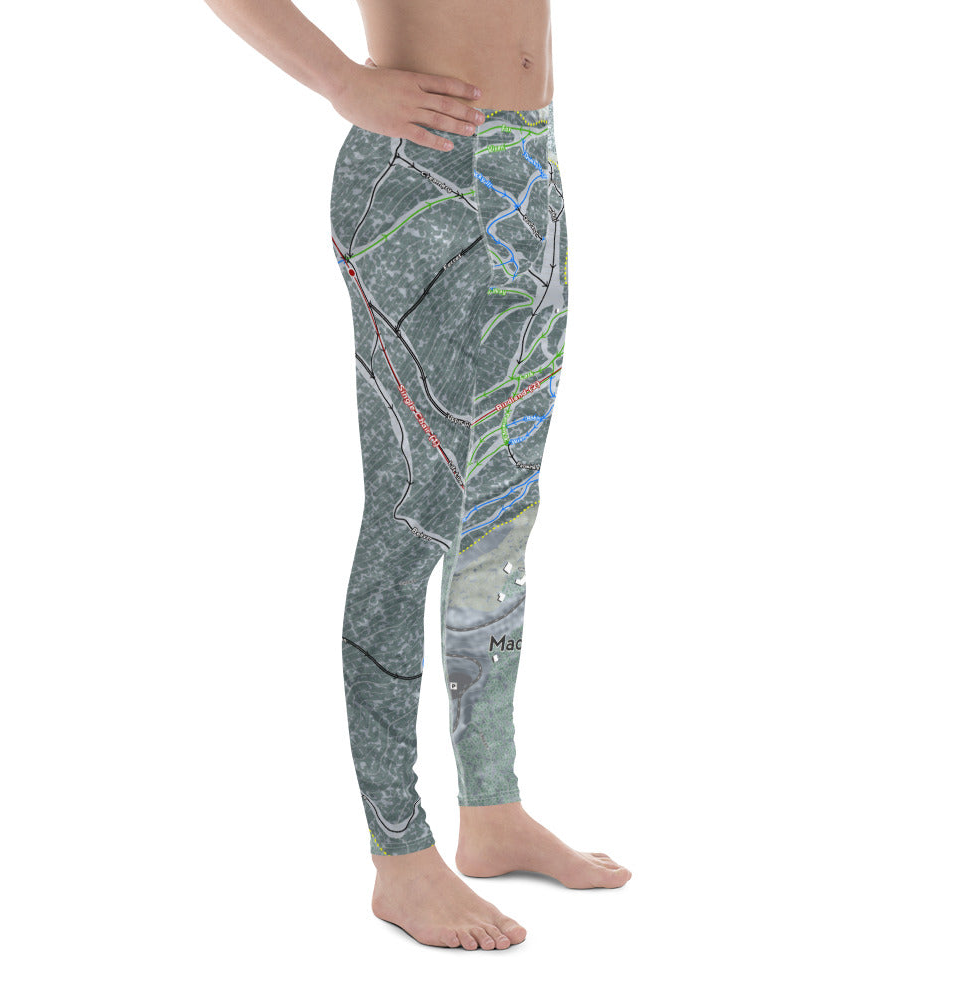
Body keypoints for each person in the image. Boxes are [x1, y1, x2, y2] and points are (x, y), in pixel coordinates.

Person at [202, 0, 631, 949]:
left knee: (502, 518)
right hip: (420, 177)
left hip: (527, 167)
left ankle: (493, 810)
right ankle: (398, 856)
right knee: (411, 521)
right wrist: (341, 82)